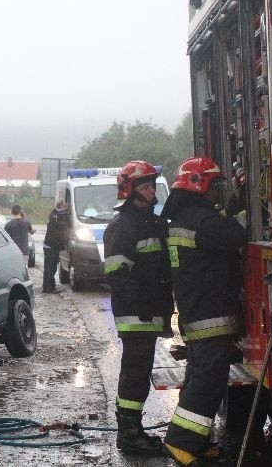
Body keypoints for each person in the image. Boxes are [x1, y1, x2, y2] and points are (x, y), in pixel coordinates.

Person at [160, 157, 247, 466]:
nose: (215, 194)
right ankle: (180, 443)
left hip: (197, 311)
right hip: (209, 312)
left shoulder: (187, 218)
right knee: (208, 380)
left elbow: (217, 225)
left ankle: (195, 442)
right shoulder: (200, 220)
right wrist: (245, 212)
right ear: (199, 185)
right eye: (214, 186)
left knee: (200, 376)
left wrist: (230, 208)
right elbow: (235, 236)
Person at [103, 160, 173, 455]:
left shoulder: (150, 220)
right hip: (135, 312)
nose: (152, 189)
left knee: (139, 369)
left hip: (148, 309)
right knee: (134, 370)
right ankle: (129, 435)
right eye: (146, 185)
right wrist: (141, 301)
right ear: (130, 190)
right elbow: (116, 272)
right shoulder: (125, 224)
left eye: (153, 184)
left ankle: (132, 429)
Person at [42, 199, 69, 293]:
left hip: (48, 245)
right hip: (52, 246)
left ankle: (46, 287)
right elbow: (60, 228)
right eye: (65, 206)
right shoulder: (57, 217)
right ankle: (50, 288)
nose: (66, 208)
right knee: (51, 268)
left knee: (48, 268)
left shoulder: (54, 214)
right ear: (61, 207)